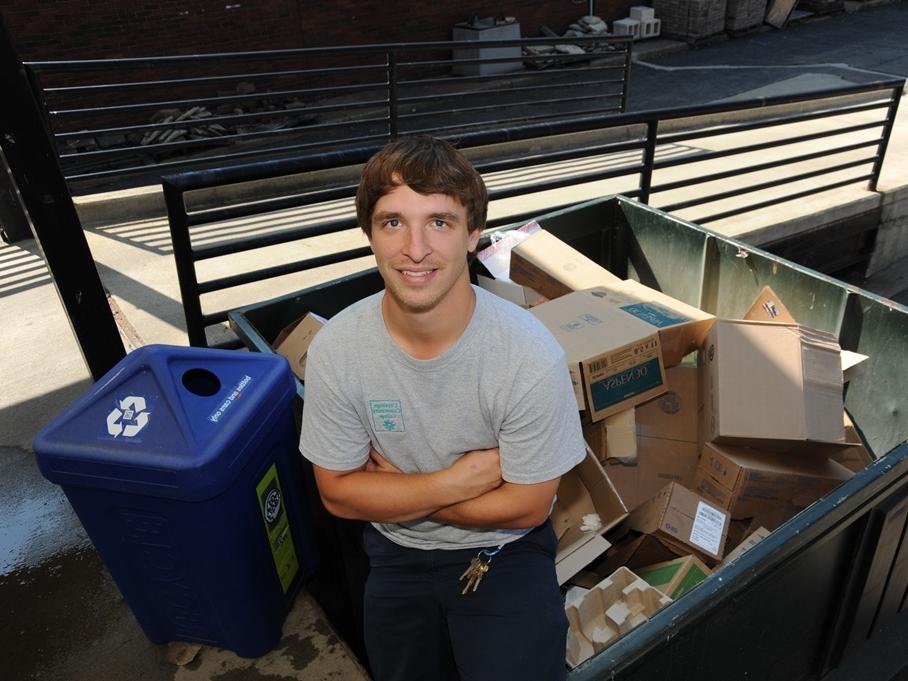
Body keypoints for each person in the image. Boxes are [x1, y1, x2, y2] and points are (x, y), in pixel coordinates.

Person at [299, 135, 586, 681]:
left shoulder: (527, 355)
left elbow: (526, 508)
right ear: (370, 235)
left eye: (439, 222)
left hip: (505, 551)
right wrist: (455, 483)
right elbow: (337, 493)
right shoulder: (339, 349)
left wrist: (398, 492)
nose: (414, 248)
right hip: (394, 550)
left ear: (473, 235)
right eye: (392, 223)